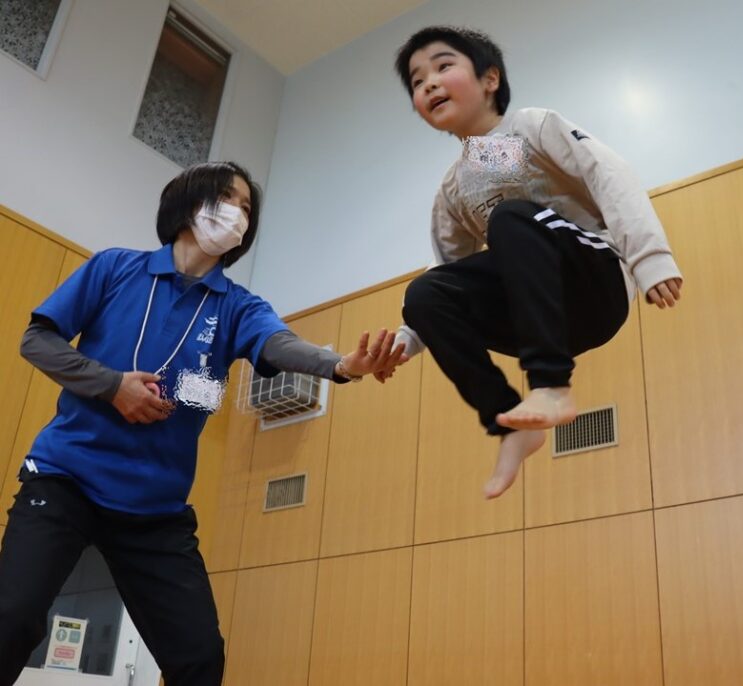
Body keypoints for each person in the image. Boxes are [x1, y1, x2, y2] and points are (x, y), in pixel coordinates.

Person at [0, 161, 404, 685]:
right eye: (227, 199)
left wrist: (341, 366)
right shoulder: (115, 268)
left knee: (199, 659)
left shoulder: (238, 306)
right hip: (66, 480)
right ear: (189, 203)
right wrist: (111, 385)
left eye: (247, 208)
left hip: (155, 509)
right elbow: (37, 340)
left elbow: (278, 343)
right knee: (10, 618)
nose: (238, 213)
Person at [380, 26, 683, 498]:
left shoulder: (529, 127)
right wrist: (407, 339)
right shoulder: (453, 188)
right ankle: (507, 424)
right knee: (425, 292)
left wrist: (650, 258)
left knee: (510, 218)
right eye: (418, 82)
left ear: (490, 79)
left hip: (594, 284)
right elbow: (450, 273)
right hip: (537, 316)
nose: (430, 84)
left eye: (443, 66)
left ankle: (551, 385)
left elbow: (607, 173)